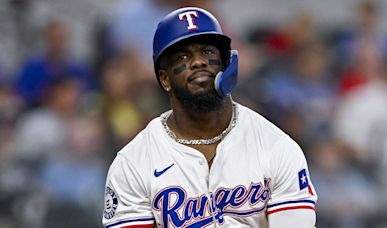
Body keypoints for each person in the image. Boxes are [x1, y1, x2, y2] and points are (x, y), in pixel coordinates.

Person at [103, 7, 317, 228]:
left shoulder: (276, 146)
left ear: (226, 65)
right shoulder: (133, 163)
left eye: (207, 52)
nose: (198, 62)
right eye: (183, 56)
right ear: (165, 79)